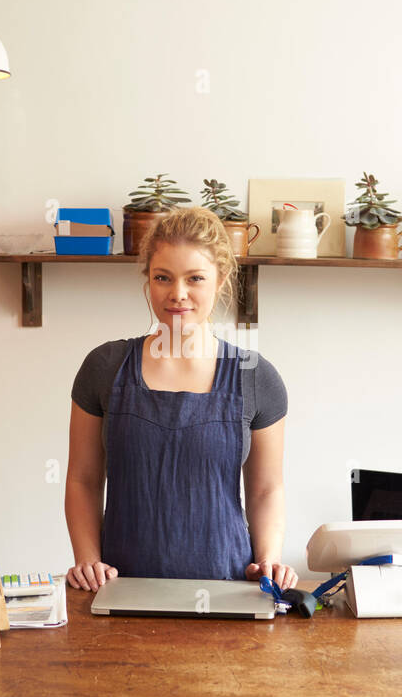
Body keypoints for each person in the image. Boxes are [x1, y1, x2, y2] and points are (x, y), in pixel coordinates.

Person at [66, 207, 295, 592]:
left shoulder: (255, 376)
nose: (178, 294)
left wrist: (269, 558)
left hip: (227, 588)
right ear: (148, 281)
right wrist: (88, 560)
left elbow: (266, 489)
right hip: (119, 589)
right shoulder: (104, 367)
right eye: (163, 278)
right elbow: (84, 479)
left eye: (195, 279)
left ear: (220, 281)